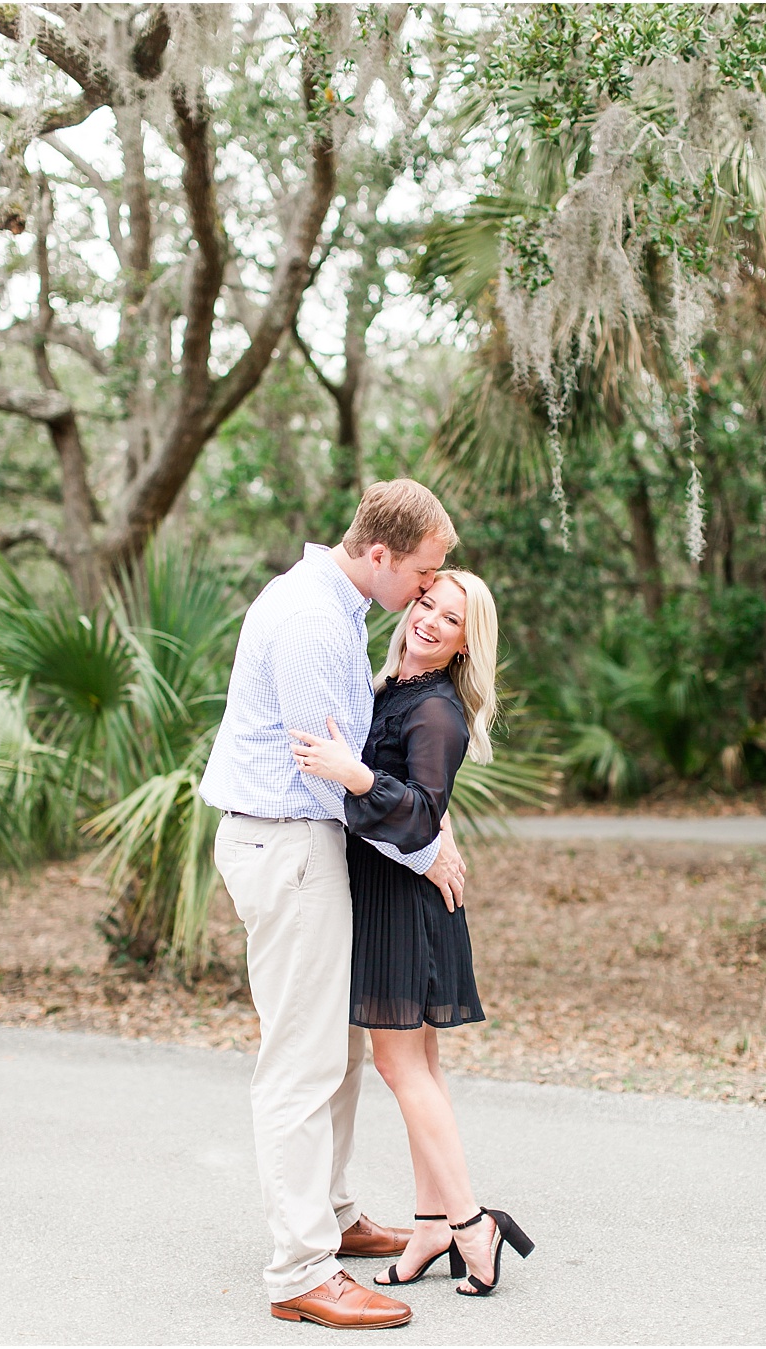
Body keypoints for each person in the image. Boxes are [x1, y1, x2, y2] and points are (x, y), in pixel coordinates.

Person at [198, 479, 470, 1332]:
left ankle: (337, 1214)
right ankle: (300, 1269)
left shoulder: (334, 604)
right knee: (303, 1063)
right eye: (424, 572)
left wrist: (433, 829)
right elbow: (345, 772)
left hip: (305, 843)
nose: (428, 590)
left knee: (339, 1051)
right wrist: (431, 847)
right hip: (289, 843)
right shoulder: (316, 622)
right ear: (381, 554)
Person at [290, 570, 535, 1297]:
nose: (429, 619)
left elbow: (421, 811)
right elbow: (435, 811)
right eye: (427, 602)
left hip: (404, 905)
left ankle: (470, 1220)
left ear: (465, 644)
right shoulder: (392, 685)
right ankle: (432, 1222)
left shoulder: (435, 708)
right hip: (395, 894)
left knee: (402, 1069)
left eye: (450, 618)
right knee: (419, 1067)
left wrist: (354, 776)